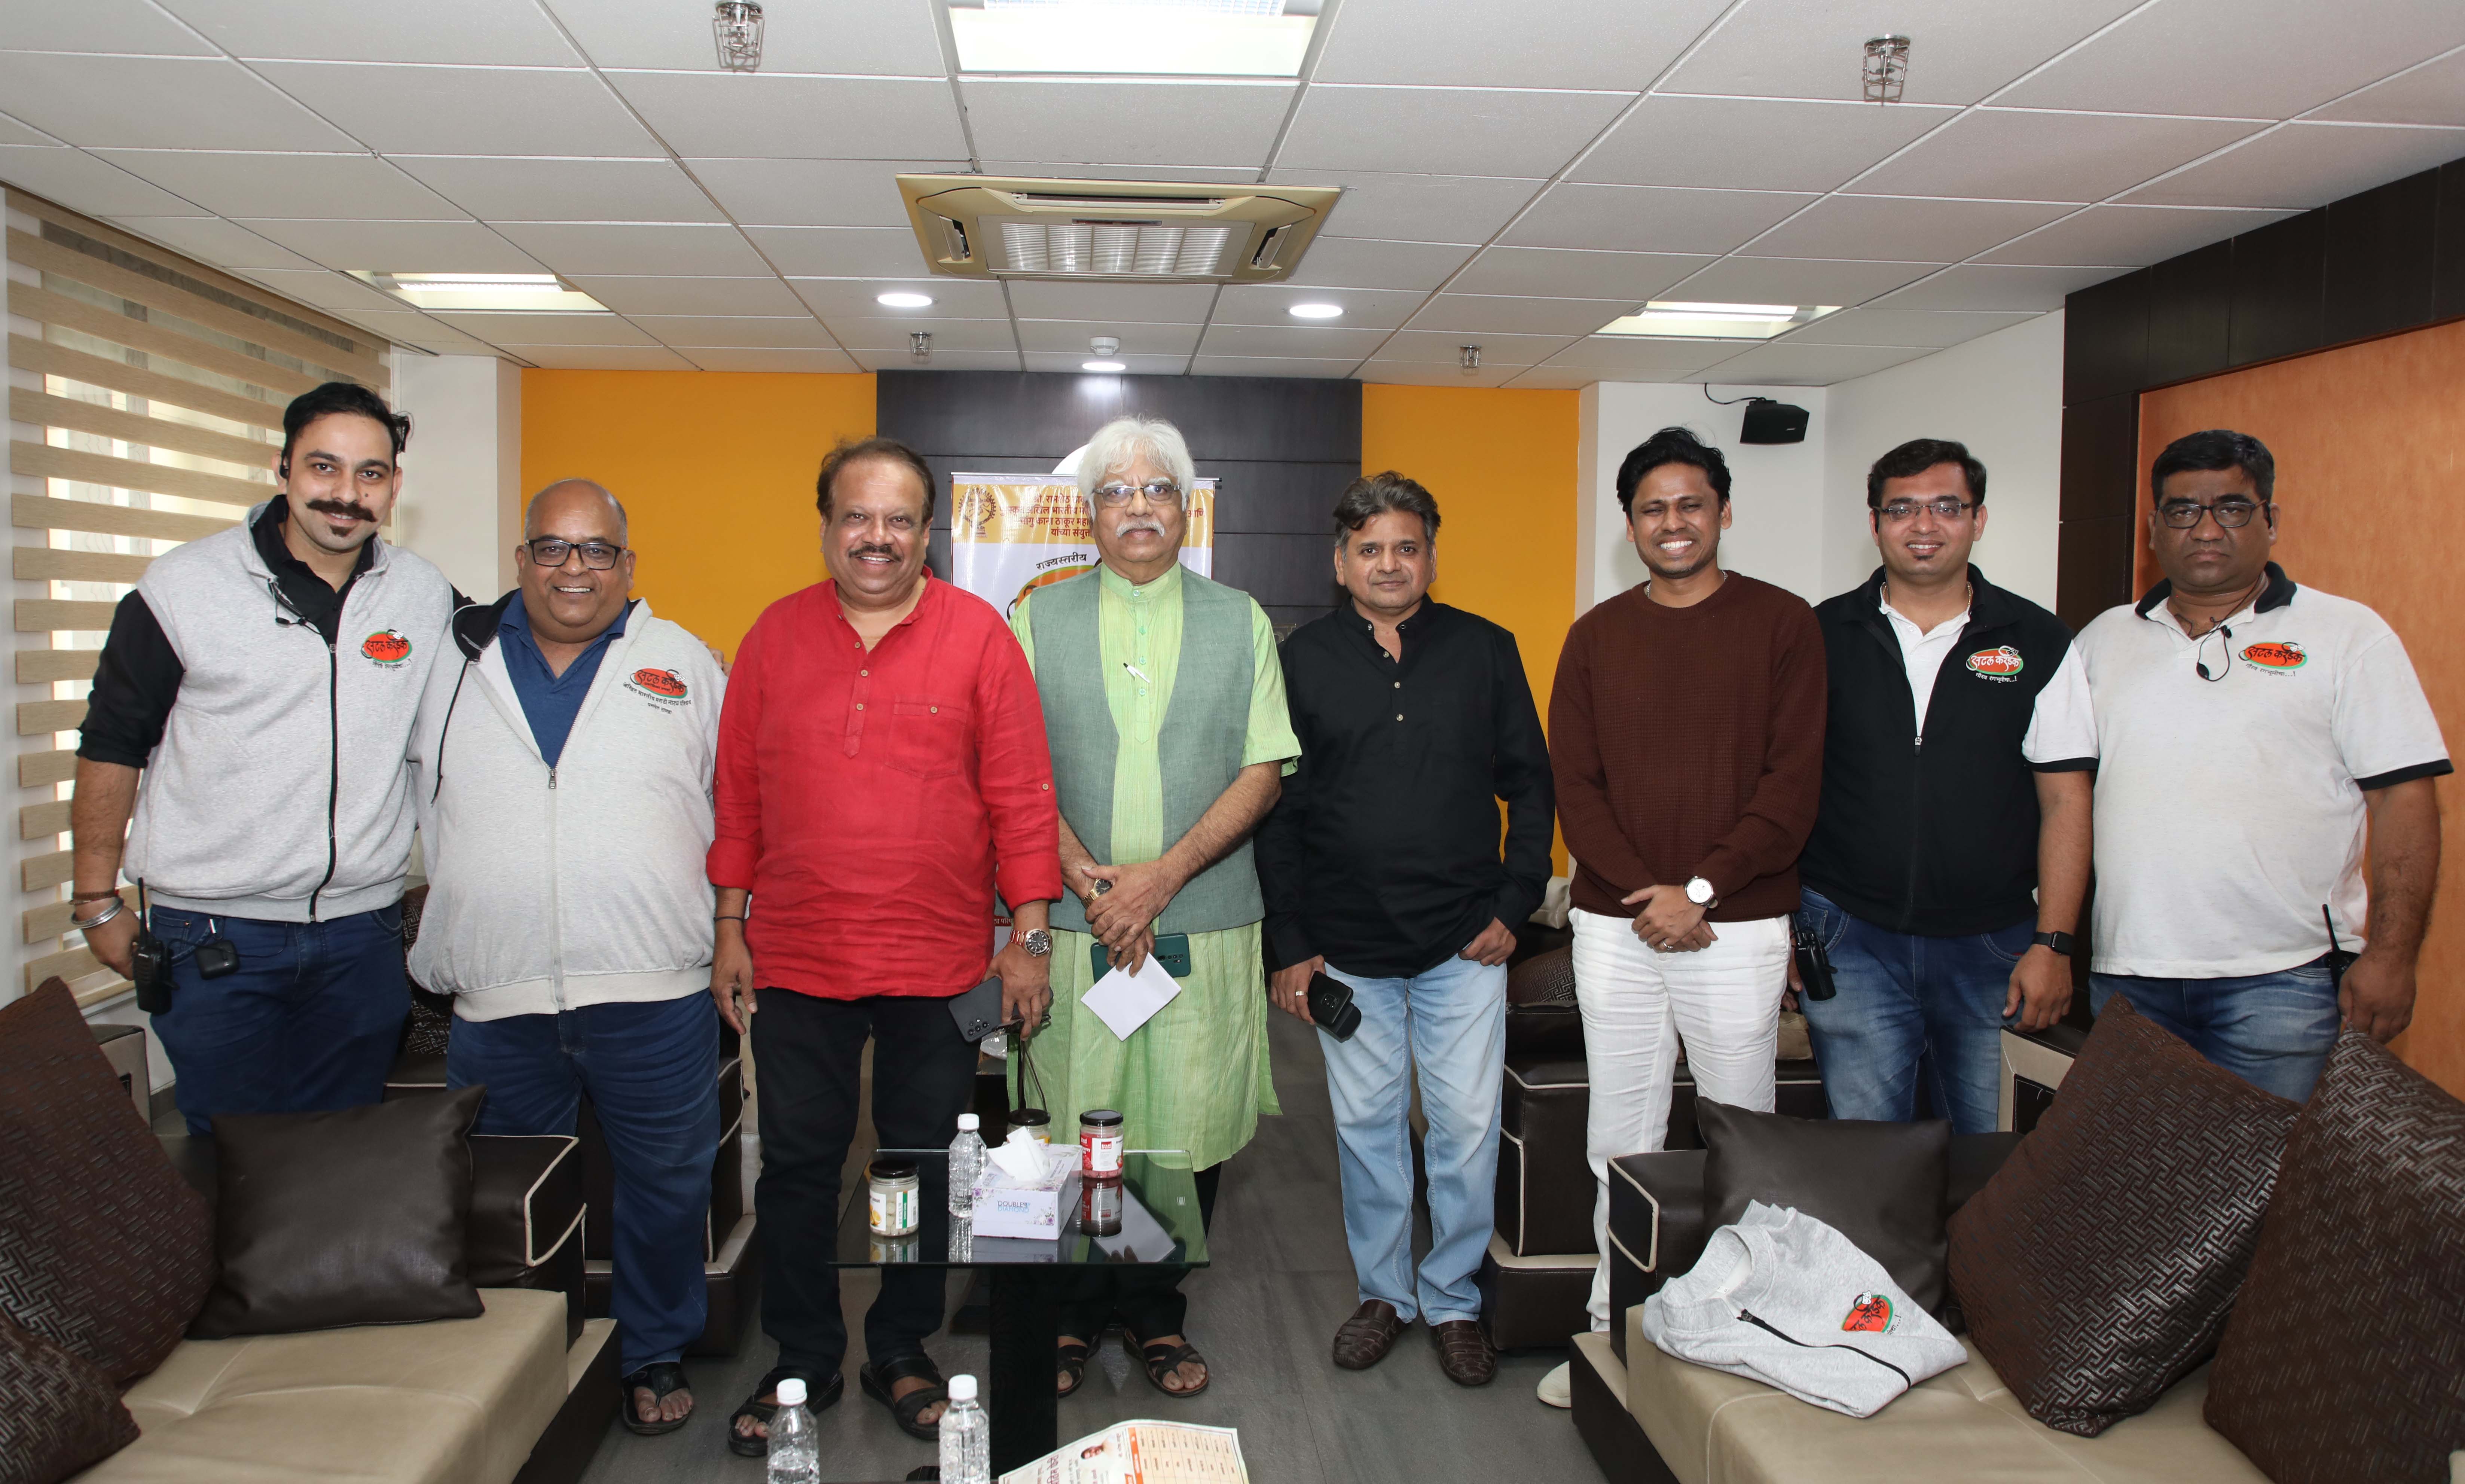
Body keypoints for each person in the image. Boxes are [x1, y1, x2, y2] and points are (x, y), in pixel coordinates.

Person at [709, 438, 1061, 1456]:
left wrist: (1029, 942)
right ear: (827, 524)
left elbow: (1023, 799)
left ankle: (901, 1346)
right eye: (857, 516)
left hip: (941, 964)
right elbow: (738, 797)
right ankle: (804, 1354)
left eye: (899, 519)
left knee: (924, 1166)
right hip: (796, 957)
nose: (877, 537)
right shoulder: (774, 636)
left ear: (926, 531)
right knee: (799, 1170)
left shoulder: (979, 636)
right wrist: (729, 926)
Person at [407, 479, 727, 1437]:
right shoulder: (450, 665)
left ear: (629, 565)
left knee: (664, 1192)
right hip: (498, 995)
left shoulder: (684, 662)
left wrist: (733, 931)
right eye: (552, 548)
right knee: (509, 1199)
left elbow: (737, 808)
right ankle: (529, 1360)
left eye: (597, 550)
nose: (574, 568)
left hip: (654, 991)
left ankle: (652, 1349)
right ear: (522, 561)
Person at [70, 381, 455, 1135]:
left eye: (370, 474)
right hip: (215, 936)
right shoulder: (183, 588)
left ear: (394, 486)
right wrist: (95, 902)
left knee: (345, 1155)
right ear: (282, 469)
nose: (346, 494)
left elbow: (507, 654)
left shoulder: (422, 594)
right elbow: (113, 744)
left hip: (363, 935)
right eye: (324, 467)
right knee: (239, 1161)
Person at [1008, 415, 1299, 1402]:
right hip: (1077, 924)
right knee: (1076, 1120)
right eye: (1117, 491)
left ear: (1187, 508)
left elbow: (1264, 768)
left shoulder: (1240, 619)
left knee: (1179, 1122)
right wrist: (1091, 880)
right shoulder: (1037, 619)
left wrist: (1160, 877)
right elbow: (1012, 771)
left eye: (1158, 488)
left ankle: (1154, 1308)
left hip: (1200, 921)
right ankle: (1073, 1308)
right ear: (1087, 513)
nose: (1139, 506)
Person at [1540, 425, 1824, 1406]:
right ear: (1630, 525)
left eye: (1690, 503)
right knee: (1617, 1138)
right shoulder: (1595, 636)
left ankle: (1740, 1336)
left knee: (1741, 1136)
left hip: (1734, 927)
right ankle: (1609, 1332)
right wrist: (1649, 897)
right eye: (1653, 508)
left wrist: (1698, 890)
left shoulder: (1783, 624)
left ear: (1723, 512)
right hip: (1617, 926)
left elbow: (1791, 785)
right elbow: (1576, 787)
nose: (1673, 522)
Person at [1257, 471, 1553, 1387]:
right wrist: (1290, 944)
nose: (1390, 564)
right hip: (1347, 948)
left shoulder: (1485, 650)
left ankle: (1455, 1300)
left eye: (1407, 547)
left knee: (1465, 1128)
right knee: (1368, 1131)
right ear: (1340, 561)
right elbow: (1279, 809)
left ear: (1430, 554)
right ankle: (1385, 1294)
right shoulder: (1301, 660)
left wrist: (1515, 903)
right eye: (1370, 549)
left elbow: (1531, 785)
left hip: (1465, 941)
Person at [2075, 429, 2446, 1102]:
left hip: (2284, 982)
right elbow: (2063, 798)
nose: (2206, 528)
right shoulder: (2101, 639)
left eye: (2233, 508)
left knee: (2271, 1169)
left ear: (2271, 520)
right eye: (2183, 510)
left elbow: (2404, 798)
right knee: (2139, 1166)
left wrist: (2393, 956)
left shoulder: (2348, 636)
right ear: (2154, 528)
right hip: (2130, 977)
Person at [1796, 439, 2096, 1133]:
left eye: (1946, 507)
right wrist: (1787, 928)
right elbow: (1785, 784)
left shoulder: (2039, 639)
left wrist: (2055, 944)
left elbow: (2066, 799)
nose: (1923, 525)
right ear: (1875, 523)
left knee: (1992, 1152)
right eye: (1902, 508)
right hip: (1850, 938)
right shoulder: (1819, 633)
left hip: (1993, 947)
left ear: (1978, 519)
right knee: (1869, 1153)